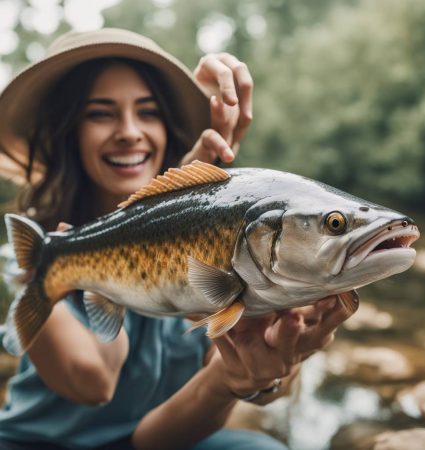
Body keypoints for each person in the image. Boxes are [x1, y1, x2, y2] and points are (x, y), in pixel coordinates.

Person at [0, 28, 357, 450]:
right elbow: (94, 382)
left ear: (169, 128)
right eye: (101, 113)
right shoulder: (37, 252)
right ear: (68, 133)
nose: (130, 131)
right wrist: (111, 257)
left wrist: (253, 369)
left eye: (148, 112)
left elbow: (153, 440)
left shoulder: (214, 243)